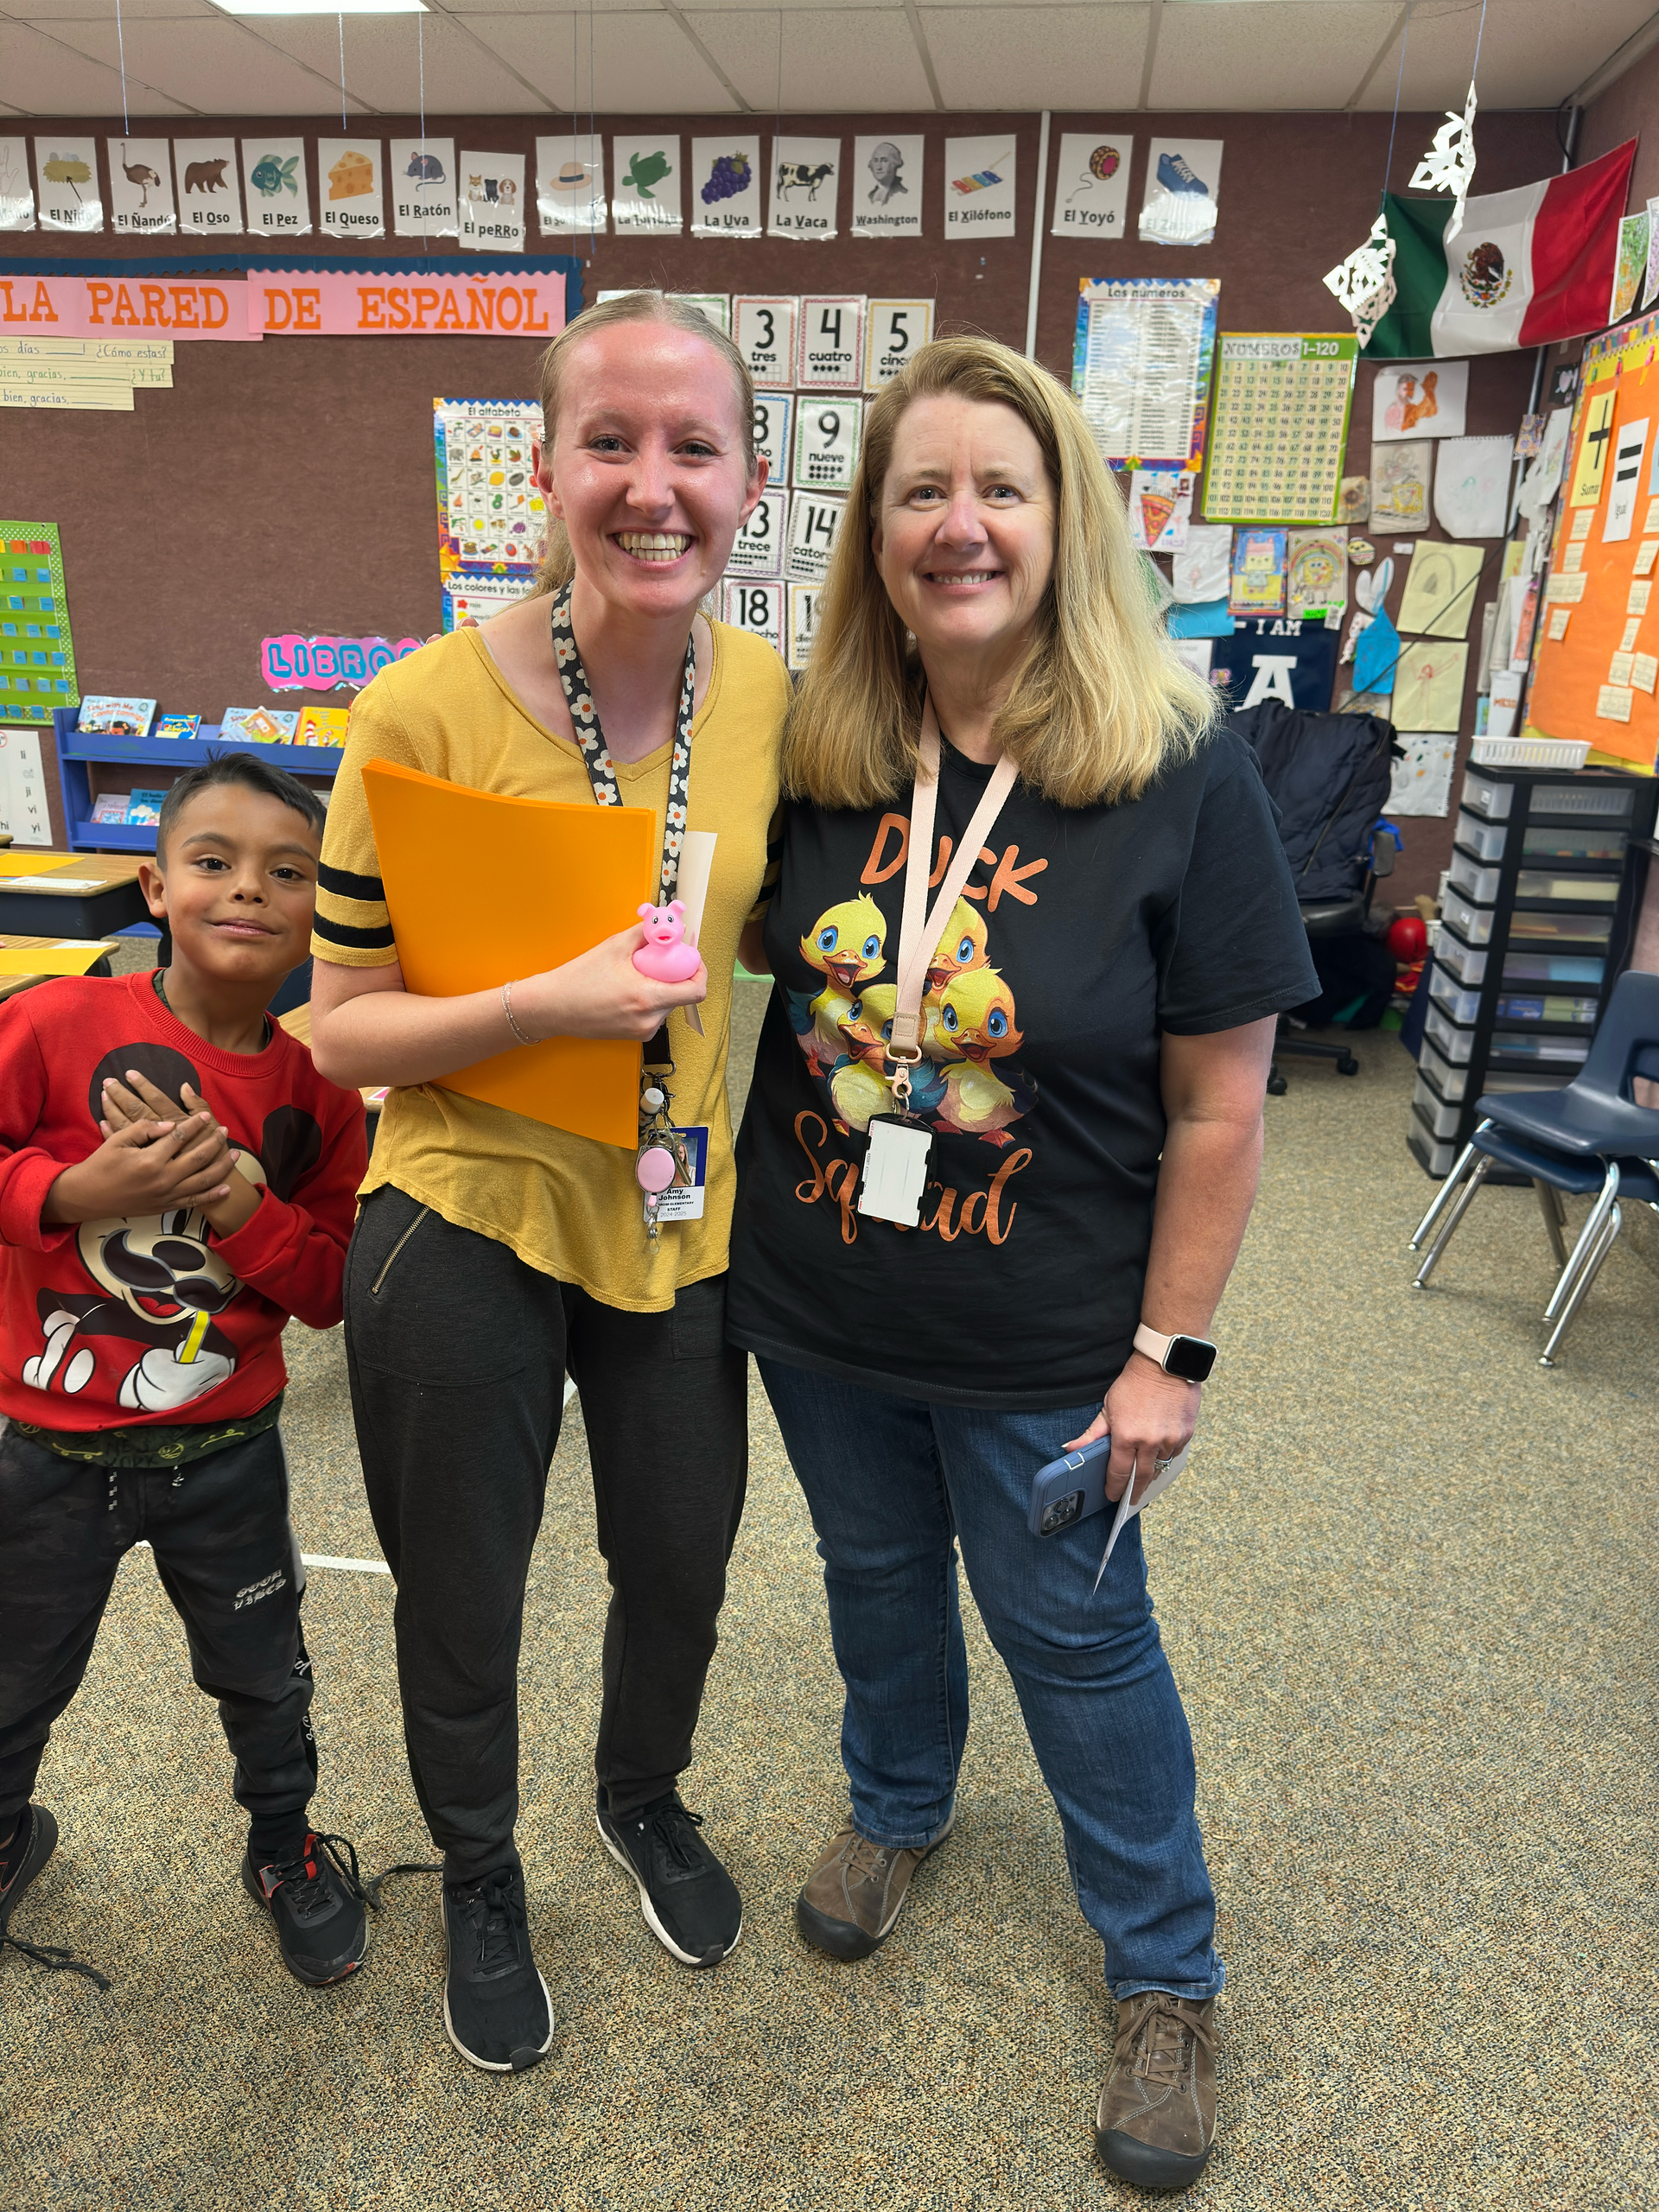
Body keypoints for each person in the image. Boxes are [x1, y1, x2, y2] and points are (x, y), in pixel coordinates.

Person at [726, 337, 1319, 2192]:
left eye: (1001, 485)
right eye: (920, 490)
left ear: (1068, 519)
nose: (959, 524)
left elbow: (1223, 1109)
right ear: (873, 533)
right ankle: (898, 1802)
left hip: (1058, 1321)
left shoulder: (1173, 766)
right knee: (874, 1570)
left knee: (1077, 1632)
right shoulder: (811, 751)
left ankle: (1167, 1973)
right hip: (821, 1298)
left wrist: (1176, 1354)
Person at [308, 291, 788, 2075]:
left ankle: (640, 1793)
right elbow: (341, 1030)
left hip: (677, 1213)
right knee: (465, 1580)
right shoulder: (422, 708)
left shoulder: (778, 708)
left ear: (747, 476)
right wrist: (544, 1002)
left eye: (694, 446)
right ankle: (482, 1867)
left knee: (679, 1555)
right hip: (467, 1209)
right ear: (547, 469)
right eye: (612, 441)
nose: (653, 484)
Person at [0, 755, 370, 1993]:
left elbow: (326, 1289)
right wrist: (65, 1191)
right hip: (42, 1450)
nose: (248, 891)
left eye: (288, 872)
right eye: (214, 862)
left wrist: (246, 1208)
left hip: (225, 1453)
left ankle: (284, 1846)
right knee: (14, 1671)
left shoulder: (320, 1094)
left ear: (322, 908)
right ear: (156, 886)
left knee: (266, 1678)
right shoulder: (56, 1024)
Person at [866, 142, 907, 206]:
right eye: (876, 161)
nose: (879, 167)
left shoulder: (902, 194)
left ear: (894, 164)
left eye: (884, 161)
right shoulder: (870, 195)